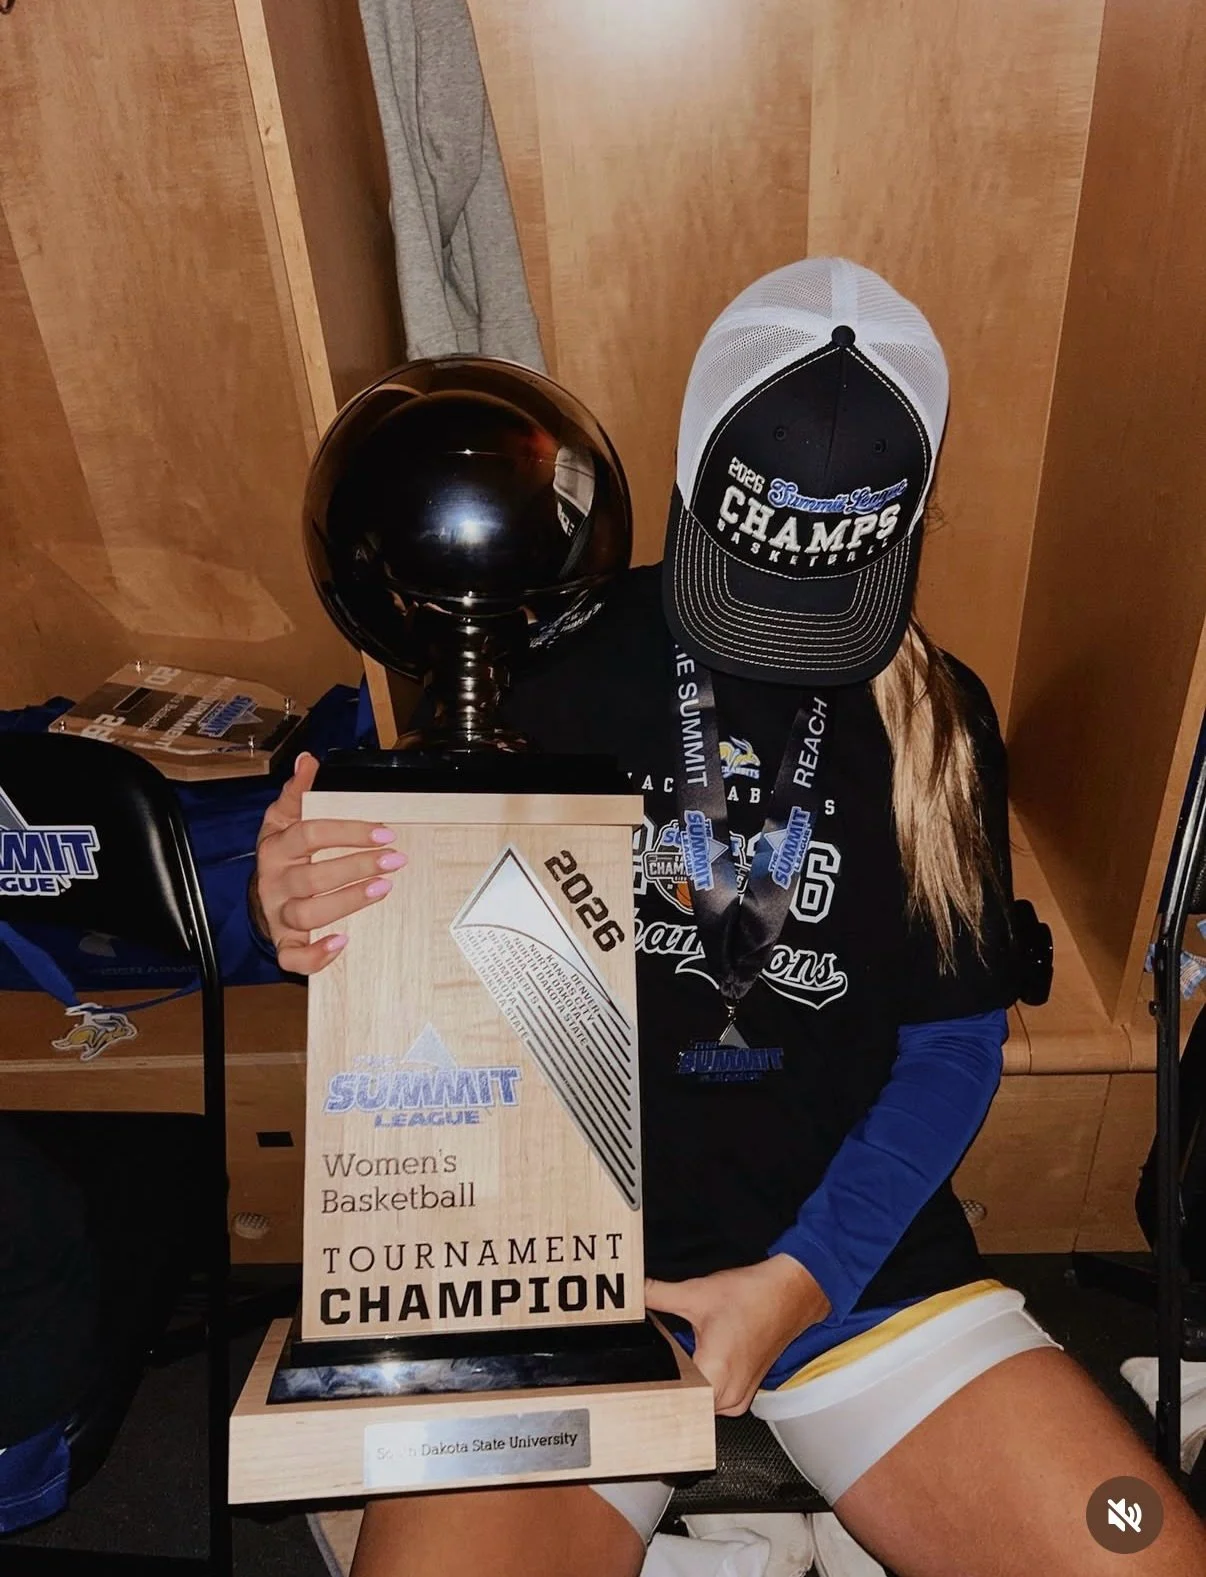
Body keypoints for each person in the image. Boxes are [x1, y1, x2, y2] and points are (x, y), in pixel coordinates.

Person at [252, 259, 1206, 1576]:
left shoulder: (941, 720)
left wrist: (801, 1278)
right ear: (692, 473)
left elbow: (947, 1051)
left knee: (1138, 1551)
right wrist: (307, 912)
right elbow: (426, 986)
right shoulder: (541, 659)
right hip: (565, 1264)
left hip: (854, 1271)